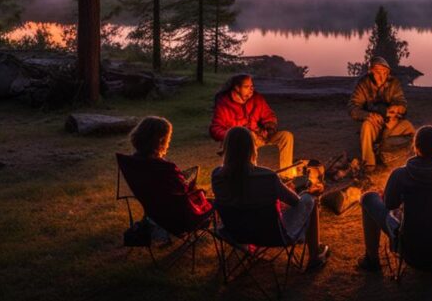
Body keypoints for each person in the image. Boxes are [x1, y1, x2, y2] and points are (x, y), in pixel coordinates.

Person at [356, 125, 432, 272]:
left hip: (411, 253)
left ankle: (371, 260)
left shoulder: (400, 175)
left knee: (368, 198)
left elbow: (389, 204)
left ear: (416, 148)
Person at [212, 126, 330, 270]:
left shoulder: (217, 175)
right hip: (271, 235)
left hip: (235, 233)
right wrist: (305, 191)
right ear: (252, 148)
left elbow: (240, 195)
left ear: (227, 149)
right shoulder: (267, 176)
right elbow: (295, 202)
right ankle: (315, 257)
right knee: (309, 199)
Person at [123, 116, 212, 232]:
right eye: (168, 139)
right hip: (179, 220)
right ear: (161, 140)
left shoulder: (132, 163)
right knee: (214, 201)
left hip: (154, 215)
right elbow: (182, 189)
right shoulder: (164, 168)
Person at [210, 74, 294, 173]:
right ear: (237, 88)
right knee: (250, 136)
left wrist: (269, 127)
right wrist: (236, 135)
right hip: (240, 142)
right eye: (246, 87)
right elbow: (215, 129)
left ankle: (287, 175)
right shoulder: (224, 103)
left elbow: (268, 115)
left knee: (286, 136)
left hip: (260, 136)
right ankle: (251, 174)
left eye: (252, 86)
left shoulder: (256, 98)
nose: (251, 89)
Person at [347, 56, 415, 171]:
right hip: (374, 122)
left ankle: (409, 156)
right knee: (366, 126)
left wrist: (398, 108)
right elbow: (352, 107)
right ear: (371, 71)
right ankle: (369, 164)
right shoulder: (364, 84)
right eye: (378, 72)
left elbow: (401, 101)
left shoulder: (394, 83)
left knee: (409, 128)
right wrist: (367, 115)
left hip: (392, 122)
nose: (381, 76)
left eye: (384, 72)